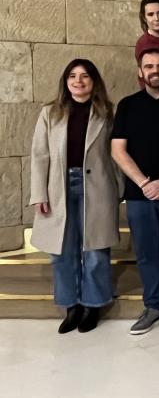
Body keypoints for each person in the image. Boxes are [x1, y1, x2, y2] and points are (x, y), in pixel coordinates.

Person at [30, 59, 119, 335]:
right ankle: (71, 306)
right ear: (65, 82)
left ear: (94, 82)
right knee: (61, 252)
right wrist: (38, 193)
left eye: (84, 76)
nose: (78, 81)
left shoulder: (106, 113)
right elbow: (39, 155)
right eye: (72, 76)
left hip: (97, 188)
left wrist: (119, 189)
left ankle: (92, 305)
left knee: (94, 252)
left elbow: (115, 155)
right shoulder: (50, 113)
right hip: (59, 187)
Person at [110, 49, 159, 335]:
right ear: (140, 72)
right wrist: (144, 183)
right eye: (149, 66)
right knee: (146, 253)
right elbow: (118, 150)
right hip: (138, 194)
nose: (155, 70)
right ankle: (154, 305)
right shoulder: (128, 105)